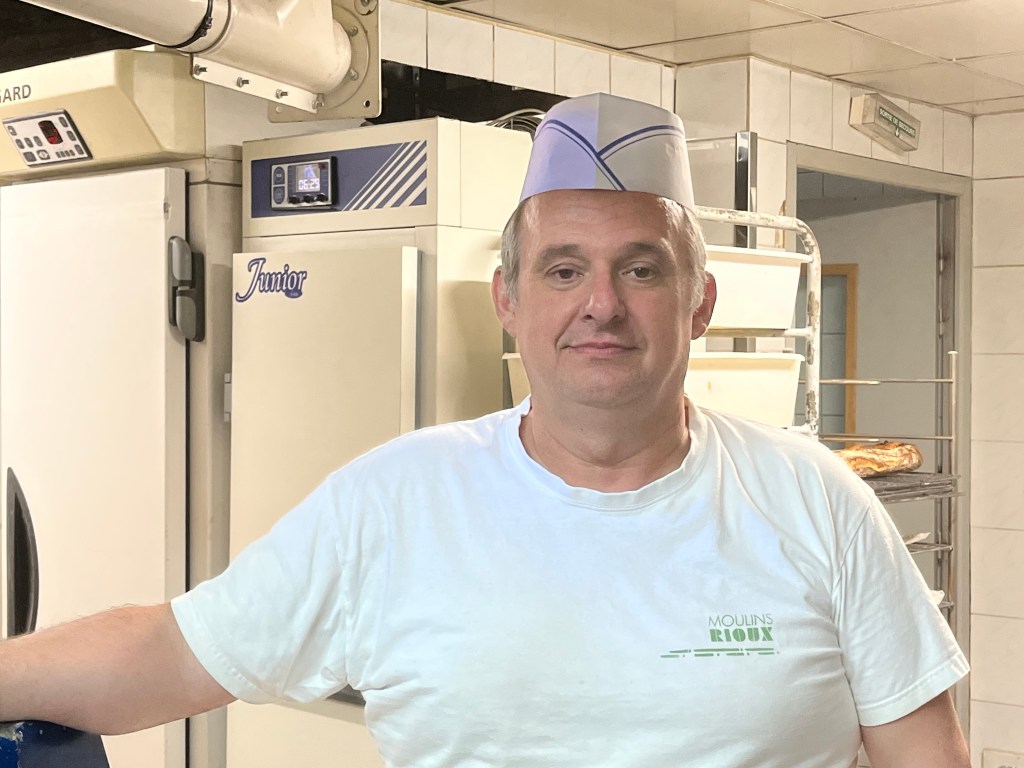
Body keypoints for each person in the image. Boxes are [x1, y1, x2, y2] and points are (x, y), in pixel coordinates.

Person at [0, 93, 970, 767]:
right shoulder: (397, 501)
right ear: (507, 298)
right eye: (561, 270)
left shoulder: (816, 502)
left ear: (699, 301)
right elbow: (166, 654)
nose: (600, 303)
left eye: (640, 268)